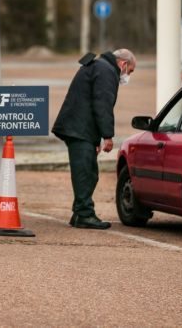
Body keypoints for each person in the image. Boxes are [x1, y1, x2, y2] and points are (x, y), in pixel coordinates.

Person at [51, 48, 136, 230]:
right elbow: (102, 104)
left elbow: (91, 103)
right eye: (130, 71)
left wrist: (95, 138)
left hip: (80, 128)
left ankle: (79, 212)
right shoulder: (106, 71)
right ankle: (85, 214)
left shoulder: (100, 66)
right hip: (78, 128)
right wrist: (107, 136)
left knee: (88, 171)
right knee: (85, 173)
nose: (128, 76)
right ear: (123, 64)